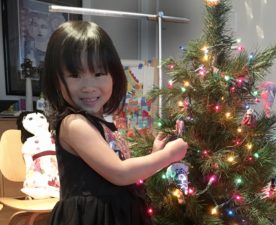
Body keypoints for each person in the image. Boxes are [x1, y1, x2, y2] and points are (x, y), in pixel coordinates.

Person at [43, 20, 188, 225]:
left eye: (99, 73)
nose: (89, 87)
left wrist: (155, 154)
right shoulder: (74, 124)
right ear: (56, 80)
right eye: (75, 75)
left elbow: (126, 174)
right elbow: (120, 173)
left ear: (114, 75)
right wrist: (168, 155)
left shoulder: (102, 122)